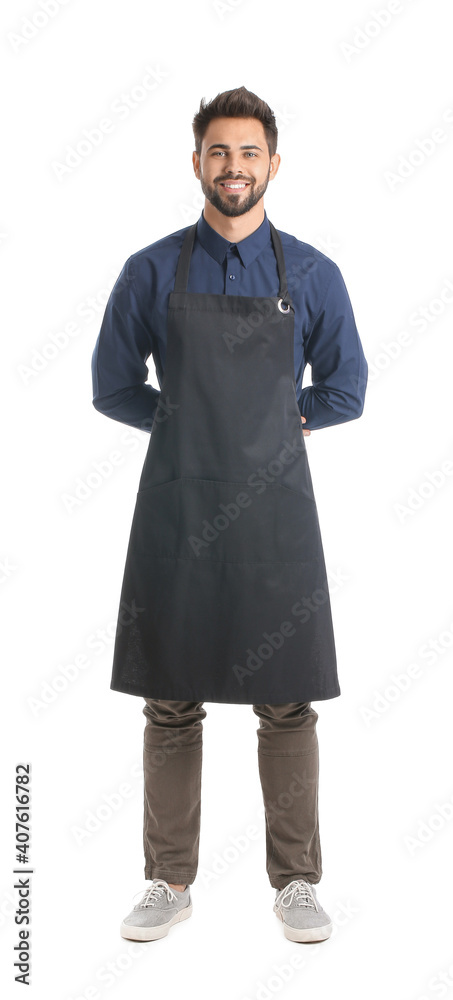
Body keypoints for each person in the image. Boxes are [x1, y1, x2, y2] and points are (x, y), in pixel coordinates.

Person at [91, 85, 368, 944]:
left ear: (272, 165)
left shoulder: (313, 273)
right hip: (178, 513)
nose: (233, 167)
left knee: (286, 702)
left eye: (249, 153)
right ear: (197, 163)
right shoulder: (149, 268)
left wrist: (295, 420)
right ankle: (167, 881)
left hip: (275, 518)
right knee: (171, 699)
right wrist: (178, 427)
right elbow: (112, 387)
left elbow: (347, 387)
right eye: (218, 152)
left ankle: (295, 884)